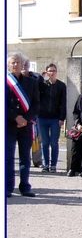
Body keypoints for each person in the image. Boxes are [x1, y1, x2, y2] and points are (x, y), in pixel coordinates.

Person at [6, 52, 40, 196]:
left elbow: (36, 103)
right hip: (9, 125)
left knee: (25, 158)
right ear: (8, 65)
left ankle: (25, 186)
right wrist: (15, 117)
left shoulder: (31, 82)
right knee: (7, 158)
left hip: (26, 125)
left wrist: (25, 118)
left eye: (18, 62)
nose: (15, 65)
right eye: (12, 62)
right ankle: (7, 187)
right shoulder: (5, 82)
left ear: (22, 65)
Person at [37, 63, 67, 173]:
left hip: (55, 118)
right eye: (50, 71)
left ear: (56, 72)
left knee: (54, 142)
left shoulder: (61, 85)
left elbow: (63, 103)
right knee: (45, 142)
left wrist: (62, 118)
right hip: (43, 117)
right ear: (47, 72)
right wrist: (41, 78)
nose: (52, 73)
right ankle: (45, 165)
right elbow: (35, 91)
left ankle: (53, 165)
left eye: (54, 71)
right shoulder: (43, 84)